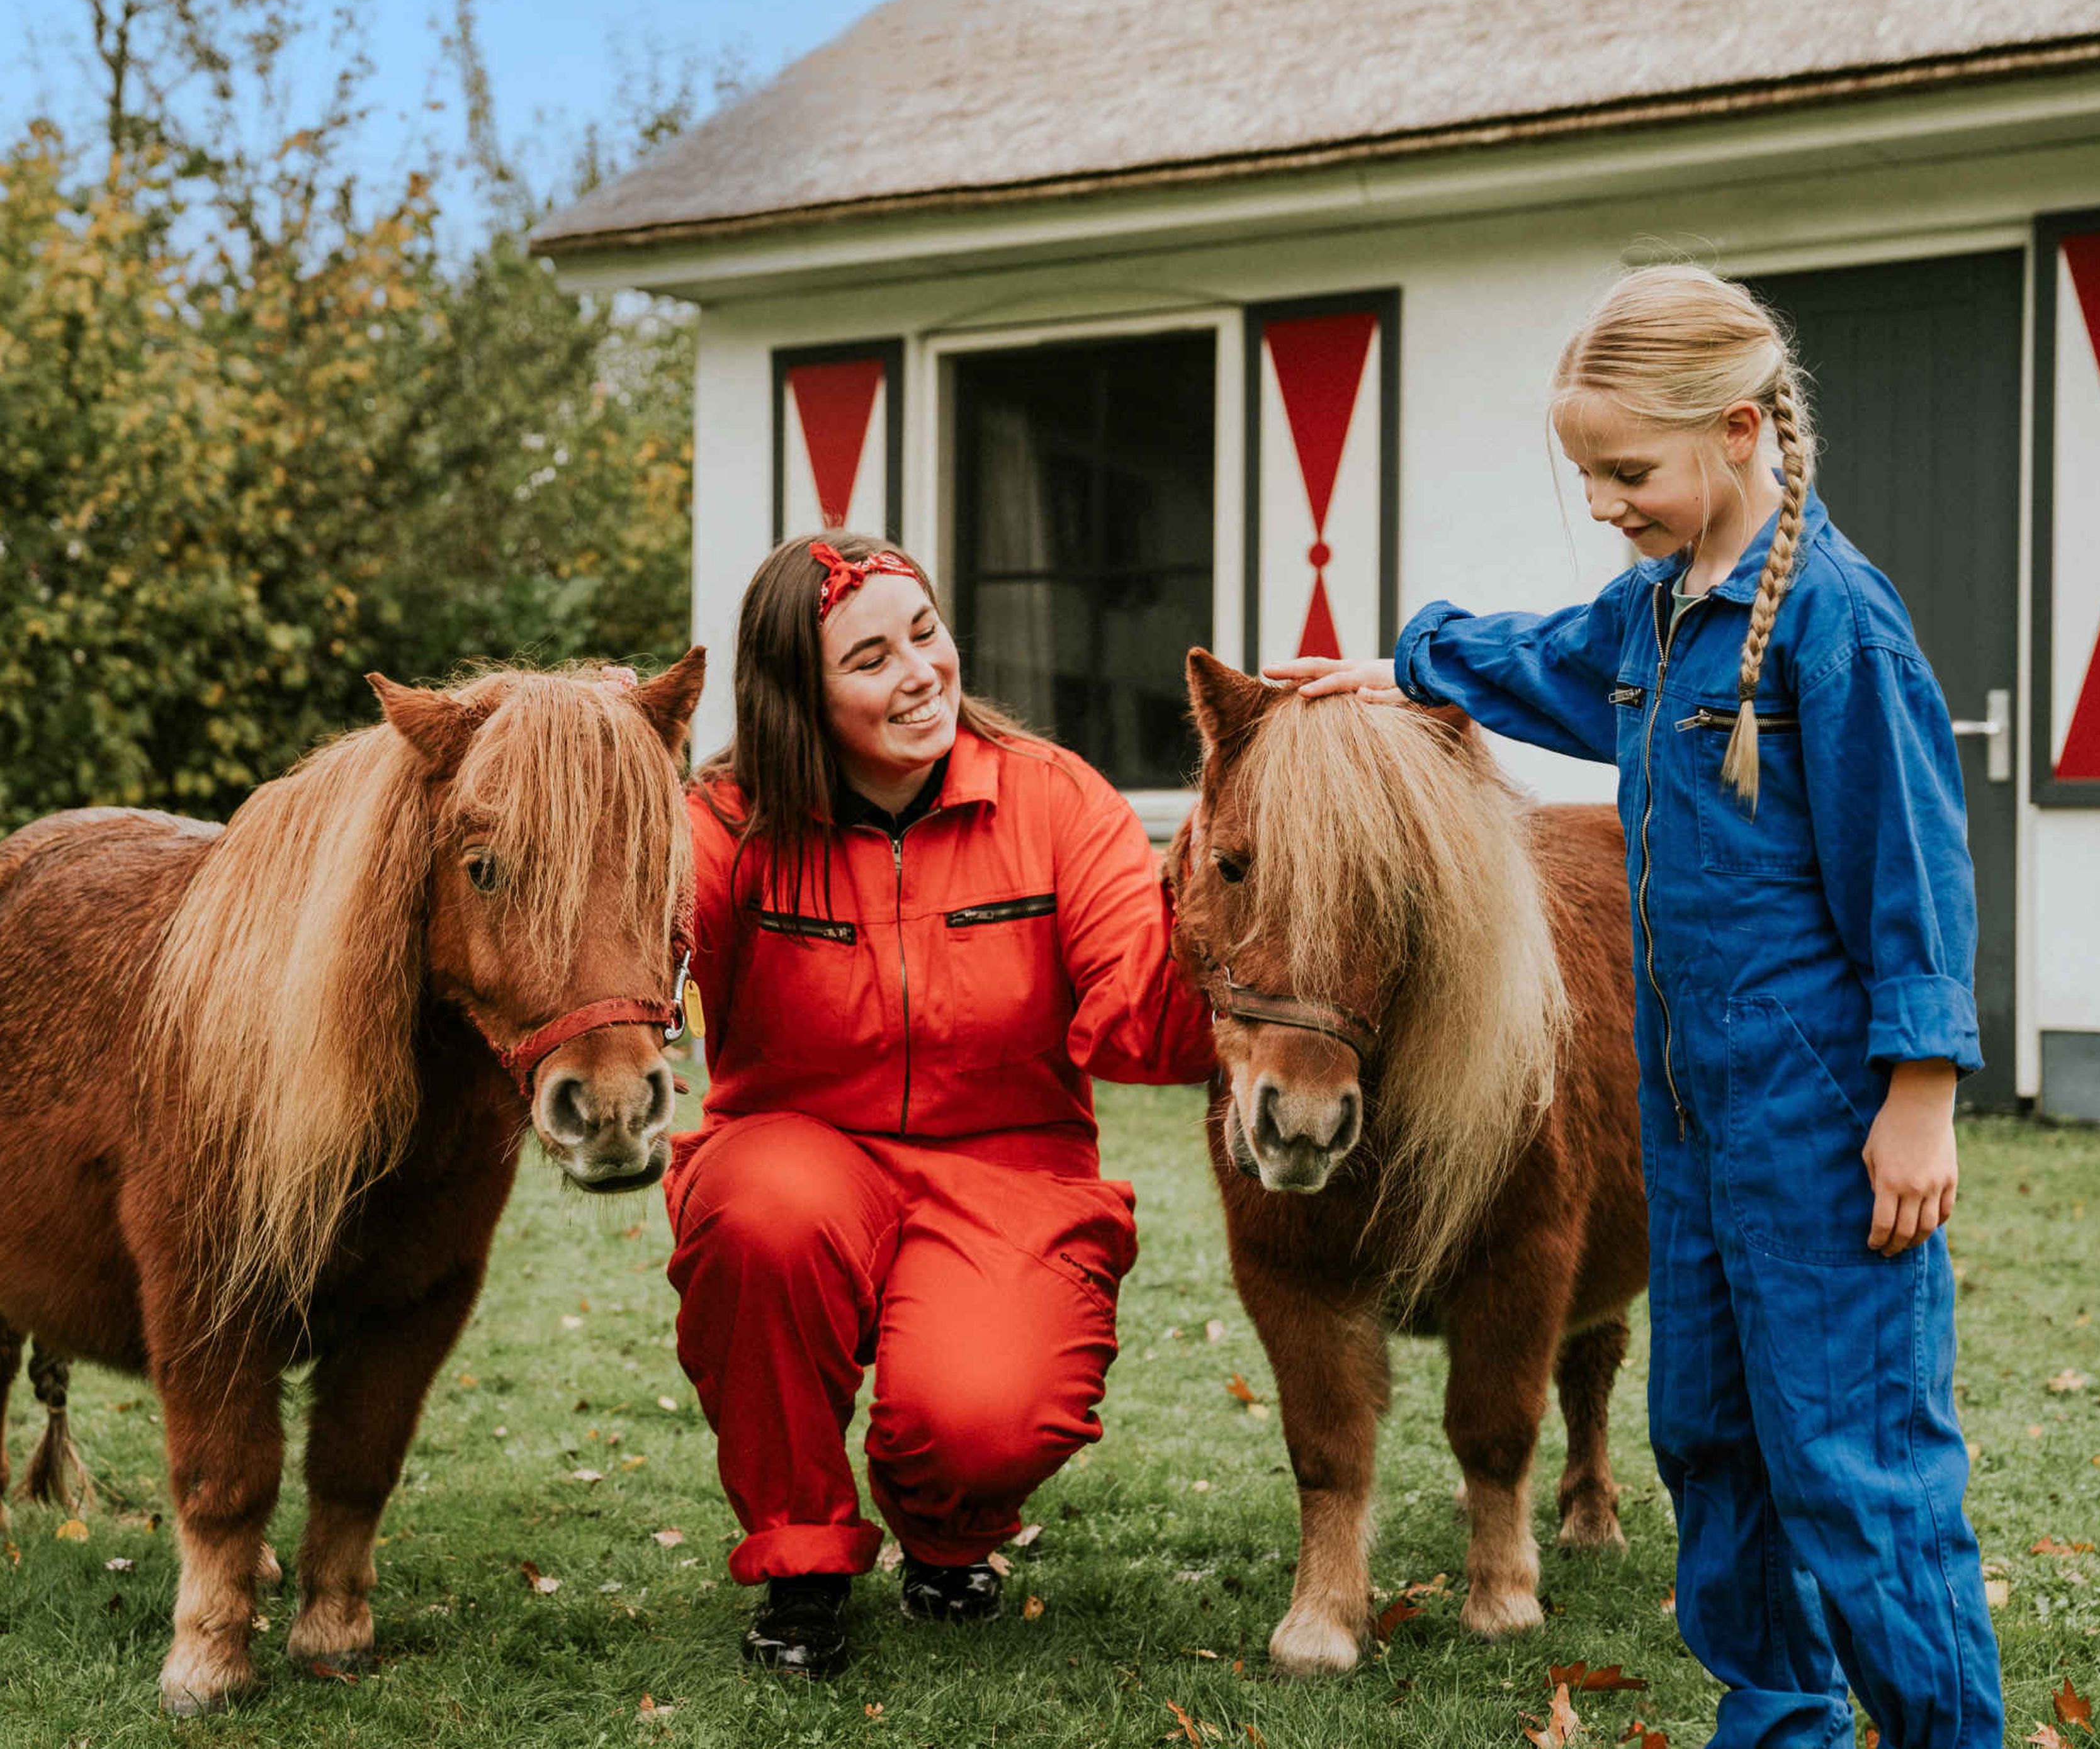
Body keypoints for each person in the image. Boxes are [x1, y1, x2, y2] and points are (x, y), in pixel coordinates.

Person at [1272, 265, 2000, 1747]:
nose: (1605, 501)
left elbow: (1913, 867)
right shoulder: (1661, 616)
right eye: (1588, 473)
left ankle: (1944, 1732)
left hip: (1820, 1125)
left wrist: (1918, 1096)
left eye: (1629, 471)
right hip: (1687, 1114)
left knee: (1852, 1461)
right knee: (1709, 1439)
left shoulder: (1837, 629)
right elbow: (1540, 659)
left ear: (1739, 431)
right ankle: (1779, 1720)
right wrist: (1393, 668)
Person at [667, 532, 1216, 1676]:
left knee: (986, 1416)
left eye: (928, 634)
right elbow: (645, 953)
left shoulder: (1057, 801)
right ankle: (803, 1555)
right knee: (761, 1216)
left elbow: (1138, 1014)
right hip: (798, 1149)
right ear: (798, 697)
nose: (920, 673)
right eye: (870, 659)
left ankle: (945, 1531)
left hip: (1010, 1166)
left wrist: (1236, 951)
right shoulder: (725, 823)